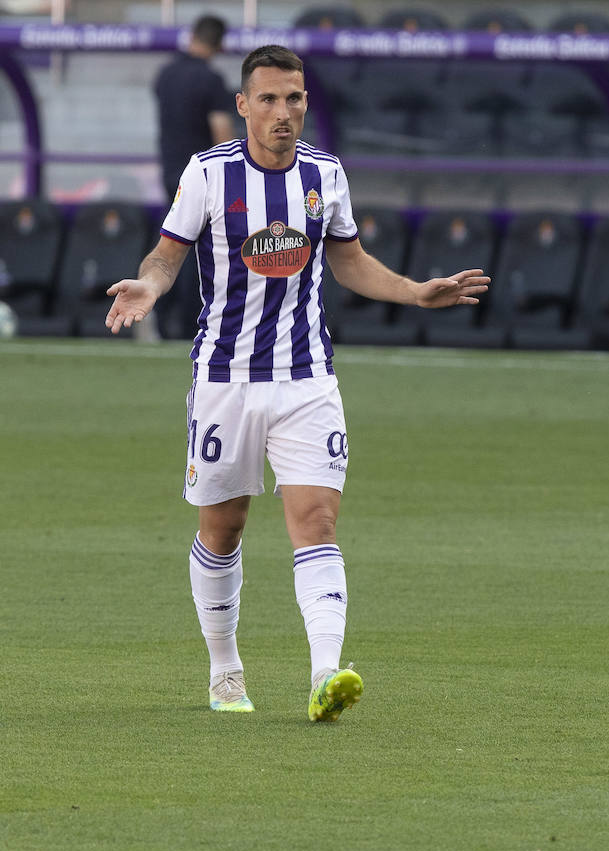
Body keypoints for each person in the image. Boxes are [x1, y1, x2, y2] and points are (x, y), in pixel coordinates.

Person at [106, 45, 490, 721]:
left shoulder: (325, 173)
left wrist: (415, 292)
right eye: (271, 99)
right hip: (225, 379)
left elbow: (350, 262)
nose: (284, 112)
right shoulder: (208, 174)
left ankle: (324, 677)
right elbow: (166, 259)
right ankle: (226, 673)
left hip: (307, 377)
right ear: (243, 106)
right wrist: (148, 284)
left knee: (317, 520)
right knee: (223, 528)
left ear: (306, 101)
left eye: (295, 98)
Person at [153, 14, 237, 340]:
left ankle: (160, 315)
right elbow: (222, 133)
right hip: (201, 176)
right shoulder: (211, 80)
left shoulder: (166, 74)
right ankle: (188, 322)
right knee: (196, 251)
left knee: (170, 241)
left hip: (170, 170)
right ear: (219, 44)